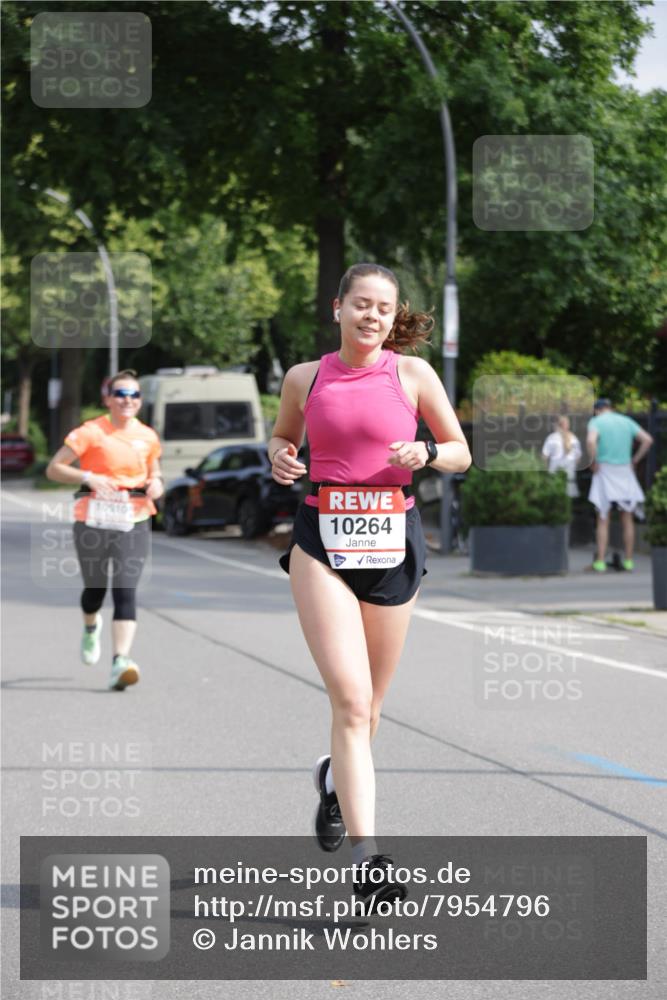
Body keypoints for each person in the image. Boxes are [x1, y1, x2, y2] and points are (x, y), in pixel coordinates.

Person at [269, 263, 471, 910]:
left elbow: (460, 448)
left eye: (382, 308)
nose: (371, 317)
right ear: (338, 308)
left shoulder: (412, 375)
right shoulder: (305, 376)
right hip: (322, 537)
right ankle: (368, 858)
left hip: (392, 537)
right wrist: (279, 454)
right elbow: (282, 436)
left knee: (372, 709)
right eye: (360, 305)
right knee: (351, 704)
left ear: (392, 316)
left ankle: (332, 782)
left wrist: (429, 455)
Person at [46, 370, 163, 689]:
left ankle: (120, 661)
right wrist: (89, 478)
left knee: (125, 590)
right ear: (108, 399)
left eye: (134, 395)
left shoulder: (148, 436)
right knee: (95, 591)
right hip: (92, 520)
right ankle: (89, 626)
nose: (128, 400)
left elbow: (155, 471)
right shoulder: (90, 432)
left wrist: (157, 484)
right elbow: (54, 468)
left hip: (134, 519)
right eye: (121, 394)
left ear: (140, 401)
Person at [586, 398, 653, 571]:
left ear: (597, 410)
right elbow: (647, 440)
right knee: (627, 518)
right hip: (625, 472)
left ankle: (600, 561)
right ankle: (629, 560)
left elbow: (591, 441)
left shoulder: (596, 421)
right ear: (611, 408)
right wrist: (635, 460)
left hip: (605, 471)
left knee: (603, 517)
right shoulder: (626, 421)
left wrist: (593, 461)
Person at [541, 415, 582, 498]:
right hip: (568, 473)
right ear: (568, 425)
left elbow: (544, 457)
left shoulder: (552, 437)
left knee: (555, 497)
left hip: (555, 473)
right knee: (567, 499)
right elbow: (578, 458)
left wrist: (545, 470)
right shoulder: (574, 438)